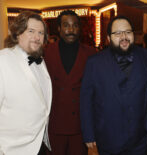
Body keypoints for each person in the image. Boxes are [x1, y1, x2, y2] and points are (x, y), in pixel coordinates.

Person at [80, 16, 147, 155]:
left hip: (140, 139)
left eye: (128, 32)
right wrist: (88, 133)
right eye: (118, 33)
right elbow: (86, 100)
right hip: (108, 138)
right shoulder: (94, 63)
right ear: (108, 38)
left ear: (134, 35)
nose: (124, 36)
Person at [0, 11, 52, 155]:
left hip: (39, 147)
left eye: (40, 33)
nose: (37, 37)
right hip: (10, 150)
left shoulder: (40, 61)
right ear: (17, 33)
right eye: (31, 31)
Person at [44, 10, 96, 155]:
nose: (71, 30)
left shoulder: (91, 54)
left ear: (79, 28)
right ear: (59, 28)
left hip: (80, 125)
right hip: (54, 124)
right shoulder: (45, 52)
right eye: (66, 25)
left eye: (75, 26)